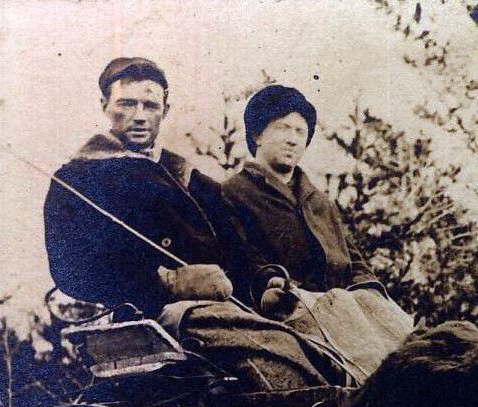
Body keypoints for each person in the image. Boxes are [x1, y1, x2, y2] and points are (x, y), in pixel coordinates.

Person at [43, 57, 248, 317]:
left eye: (150, 106)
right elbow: (71, 271)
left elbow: (238, 253)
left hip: (225, 309)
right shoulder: (76, 179)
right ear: (104, 105)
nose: (140, 117)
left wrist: (264, 286)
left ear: (165, 110)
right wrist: (169, 282)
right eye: (127, 104)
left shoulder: (192, 179)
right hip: (144, 321)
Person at [221, 84, 384, 312]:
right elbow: (243, 261)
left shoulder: (319, 202)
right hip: (284, 312)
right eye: (283, 128)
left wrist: (368, 290)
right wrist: (270, 283)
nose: (293, 139)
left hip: (344, 311)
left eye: (300, 132)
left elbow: (353, 261)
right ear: (257, 135)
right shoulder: (233, 193)